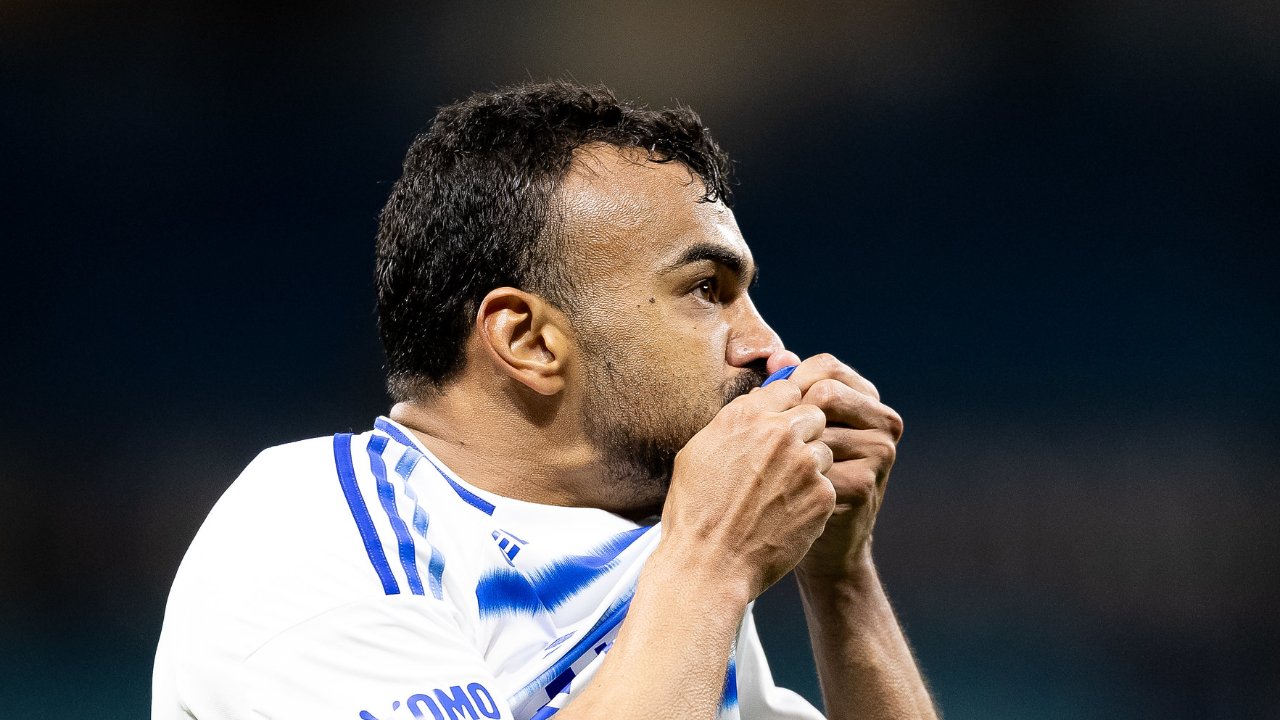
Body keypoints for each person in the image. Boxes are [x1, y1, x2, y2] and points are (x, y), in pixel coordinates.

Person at [152, 81, 937, 720]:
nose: (771, 349)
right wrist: (712, 563)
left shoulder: (662, 559)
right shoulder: (313, 531)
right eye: (707, 289)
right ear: (527, 340)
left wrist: (841, 580)